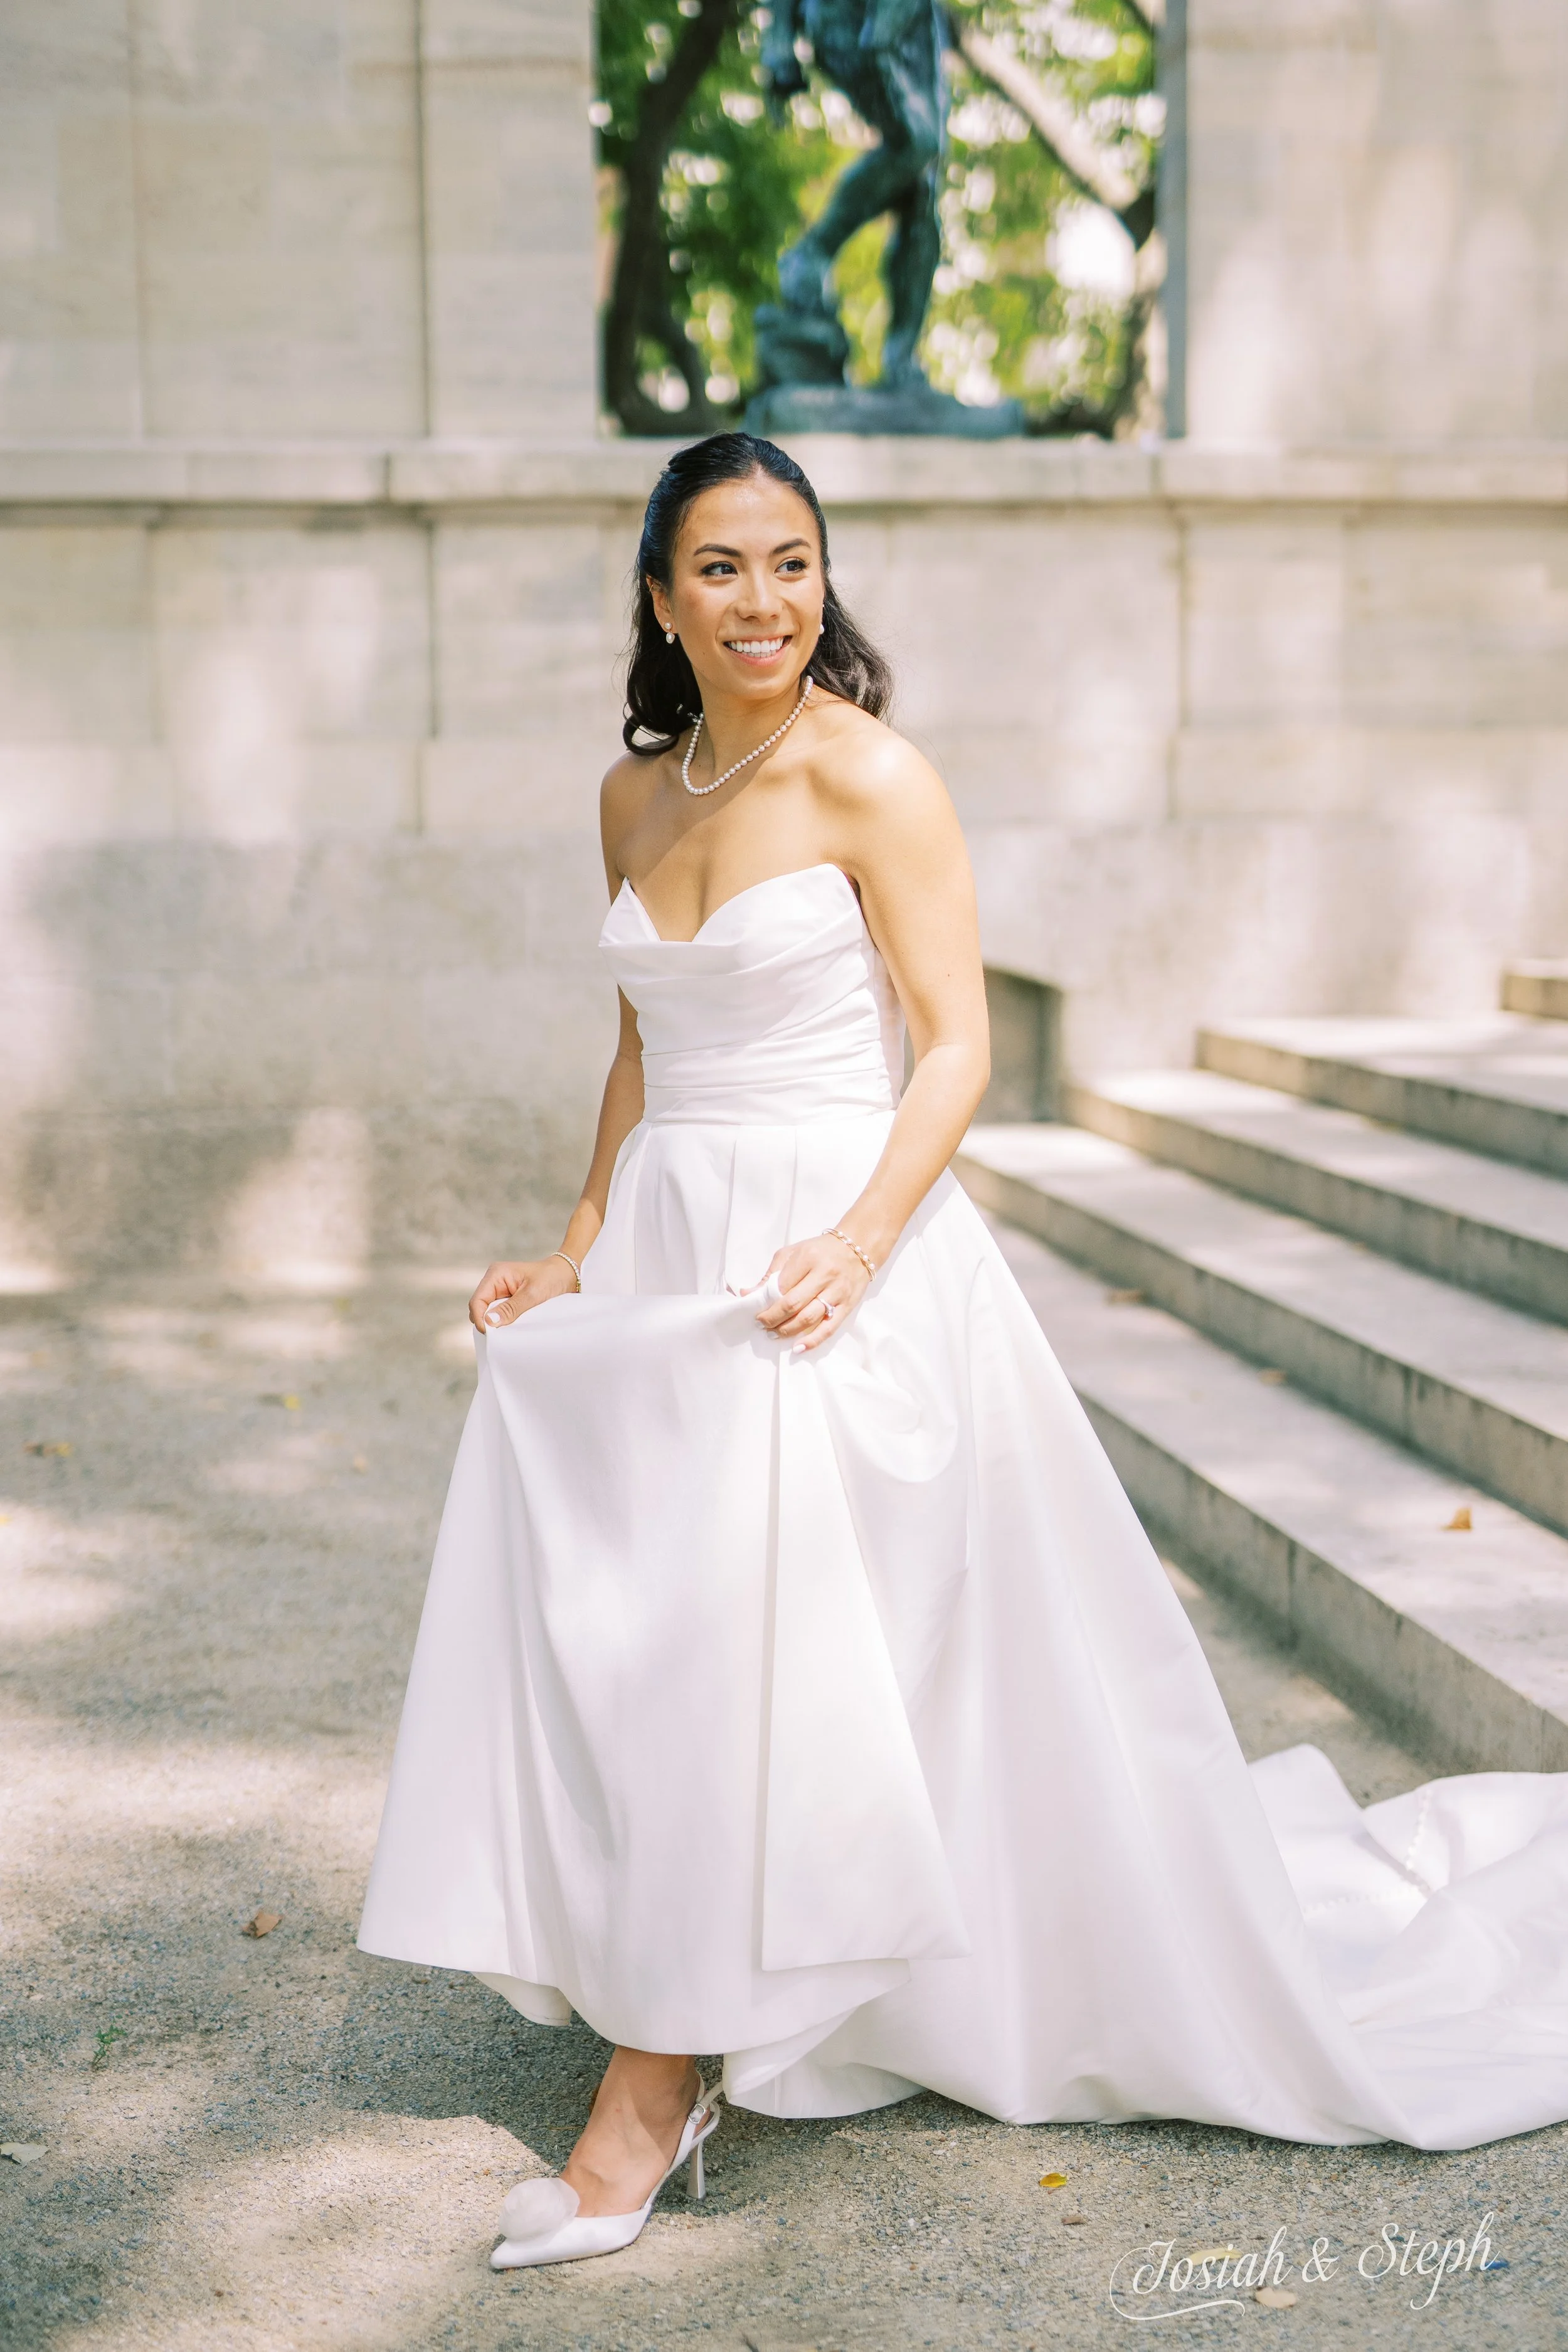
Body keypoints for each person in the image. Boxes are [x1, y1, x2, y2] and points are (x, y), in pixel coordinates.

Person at [359, 432, 1568, 2274]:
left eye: (792, 562)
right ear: (658, 595)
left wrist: (854, 1239)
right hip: (674, 1248)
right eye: (721, 568)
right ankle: (725, 1986)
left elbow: (952, 1047)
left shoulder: (873, 776)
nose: (764, 602)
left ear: (823, 578)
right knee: (651, 1632)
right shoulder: (630, 795)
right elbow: (639, 1045)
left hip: (835, 1254)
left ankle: (654, 2086)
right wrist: (581, 1242)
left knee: (741, 1648)